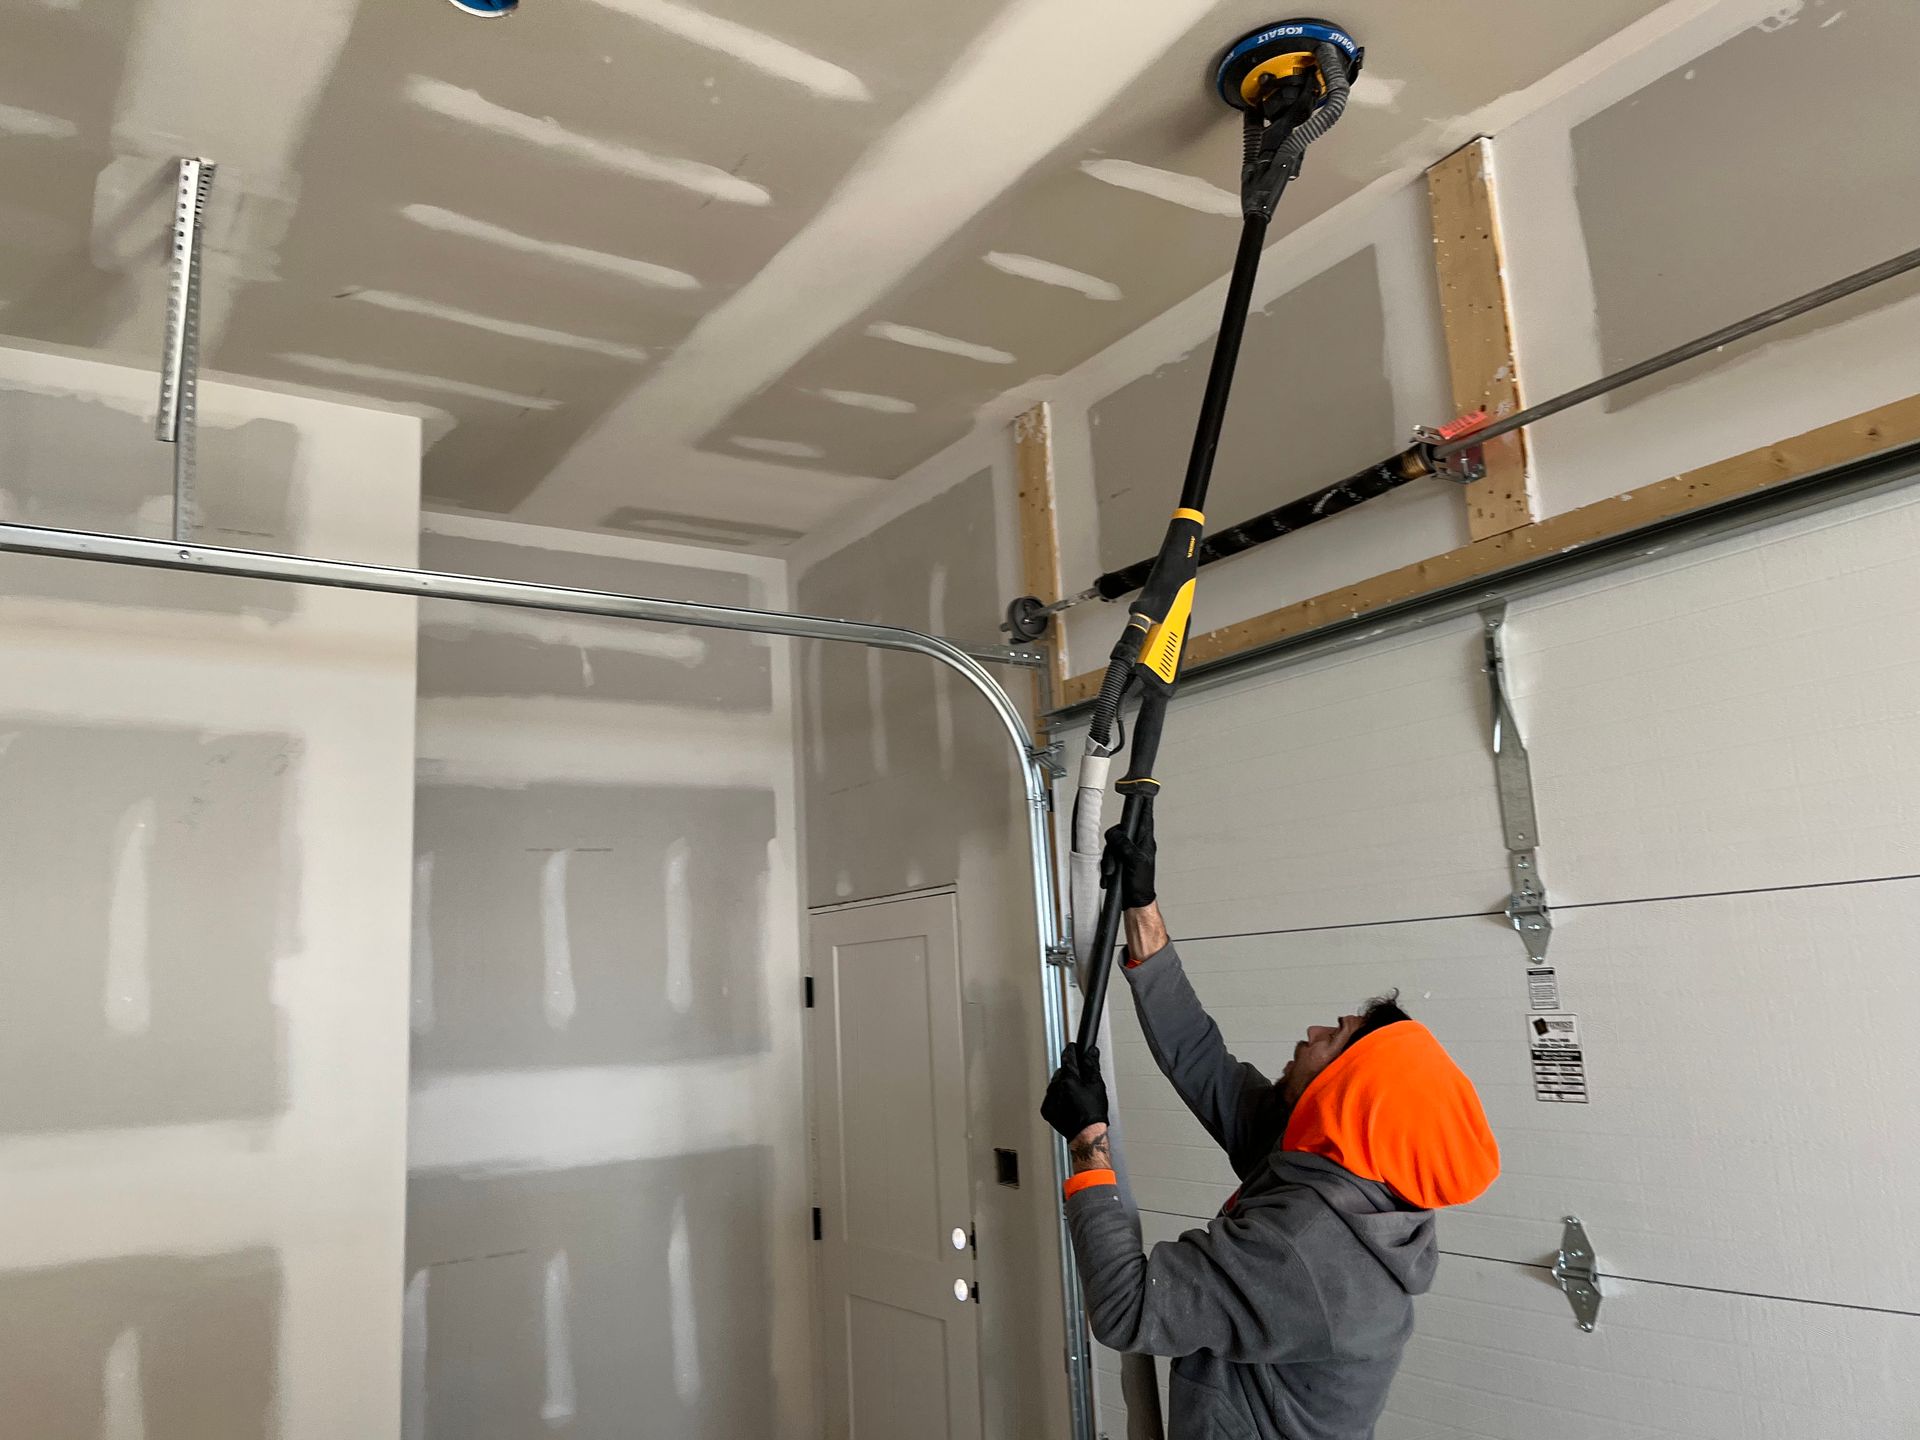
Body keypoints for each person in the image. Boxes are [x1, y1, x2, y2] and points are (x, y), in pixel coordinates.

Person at [1043, 809, 1499, 1440]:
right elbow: (1203, 1062)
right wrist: (1141, 905)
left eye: (1333, 1037)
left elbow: (1127, 1306)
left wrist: (1087, 1146)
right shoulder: (1336, 1173)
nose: (1312, 1032)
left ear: (1350, 1092)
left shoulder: (1310, 1249)